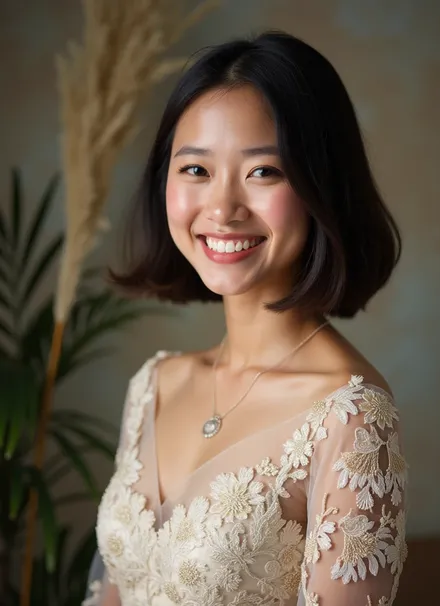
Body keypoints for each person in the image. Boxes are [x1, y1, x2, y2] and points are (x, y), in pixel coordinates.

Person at [83, 30, 408, 606]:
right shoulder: (154, 385)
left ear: (320, 186)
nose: (223, 209)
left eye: (264, 172)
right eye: (196, 170)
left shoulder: (350, 417)